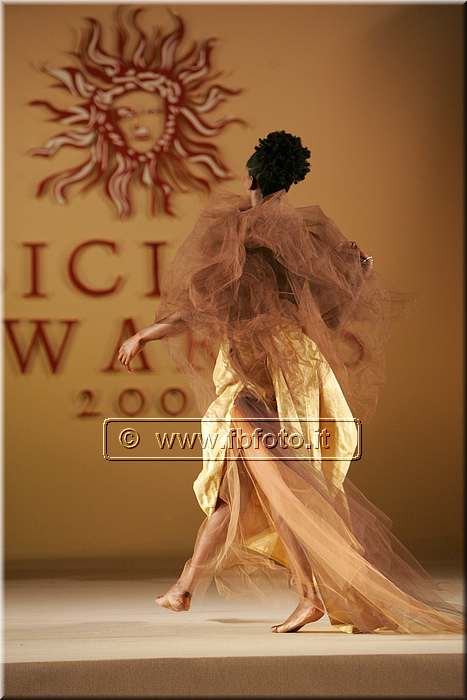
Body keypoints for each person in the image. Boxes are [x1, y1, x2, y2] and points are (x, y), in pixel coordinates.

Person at [118, 130, 463, 634]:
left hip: (256, 372)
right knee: (239, 487)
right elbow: (327, 315)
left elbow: (205, 306)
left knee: (279, 487)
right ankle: (185, 586)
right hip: (295, 367)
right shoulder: (303, 237)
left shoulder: (240, 232)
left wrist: (146, 333)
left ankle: (309, 595)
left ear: (251, 176)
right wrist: (359, 273)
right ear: (289, 180)